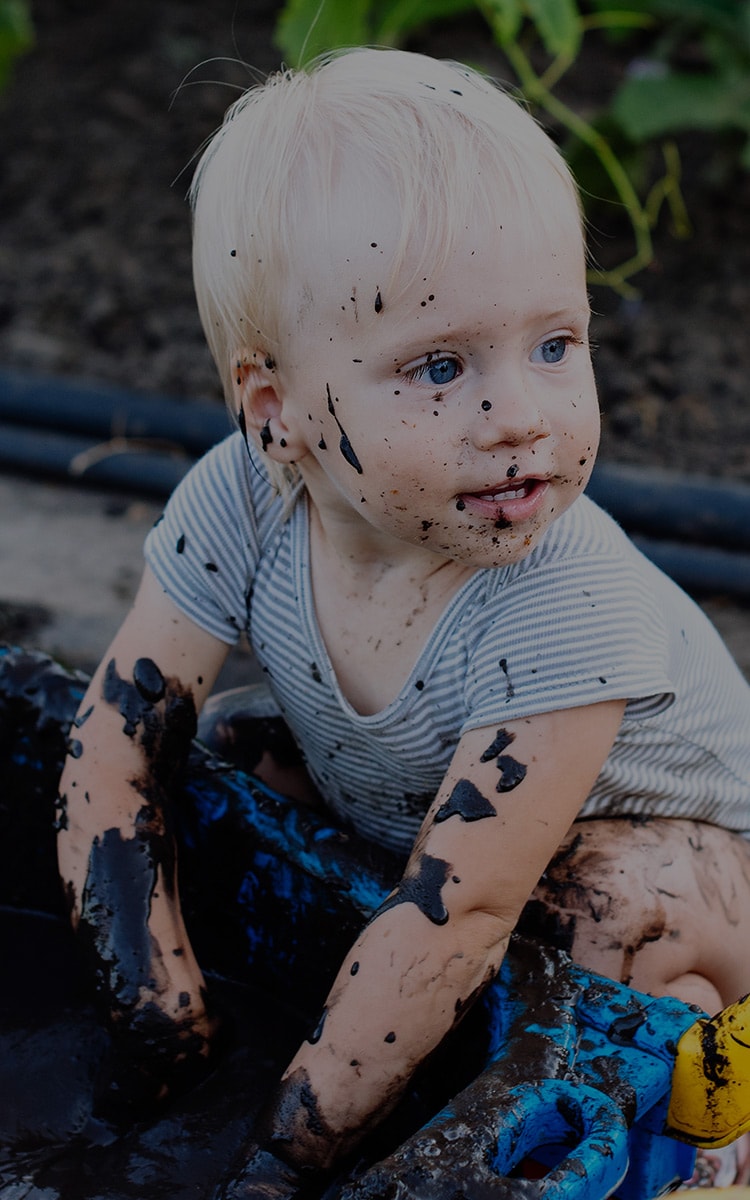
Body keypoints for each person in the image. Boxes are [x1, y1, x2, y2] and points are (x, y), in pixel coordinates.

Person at [56, 47, 750, 1194]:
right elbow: (112, 748)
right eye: (440, 365)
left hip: (690, 878)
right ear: (276, 414)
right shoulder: (243, 497)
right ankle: (379, 1006)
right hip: (440, 841)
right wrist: (157, 1016)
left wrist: (280, 1158)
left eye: (555, 344)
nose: (520, 415)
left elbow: (459, 911)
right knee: (228, 748)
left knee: (602, 902)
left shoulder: (564, 600)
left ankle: (679, 1092)